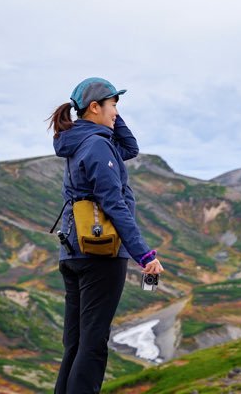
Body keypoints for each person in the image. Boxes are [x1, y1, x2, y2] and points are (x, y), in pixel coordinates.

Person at [48, 77, 164, 394]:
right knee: (93, 343)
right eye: (113, 105)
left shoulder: (82, 141)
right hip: (100, 253)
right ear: (95, 107)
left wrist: (109, 114)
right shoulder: (98, 145)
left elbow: (131, 148)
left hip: (72, 252)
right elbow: (114, 204)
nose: (116, 112)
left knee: (75, 342)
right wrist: (145, 255)